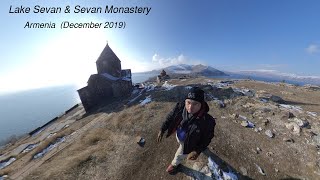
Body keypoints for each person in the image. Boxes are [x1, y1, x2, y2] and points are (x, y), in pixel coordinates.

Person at [157, 87, 216, 174]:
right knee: (179, 142)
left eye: (195, 104)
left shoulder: (207, 121)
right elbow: (171, 116)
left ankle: (174, 165)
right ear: (185, 101)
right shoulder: (181, 107)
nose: (190, 107)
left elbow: (207, 137)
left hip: (188, 143)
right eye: (188, 102)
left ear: (202, 104)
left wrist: (197, 151)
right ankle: (180, 143)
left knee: (179, 155)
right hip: (180, 135)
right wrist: (162, 129)